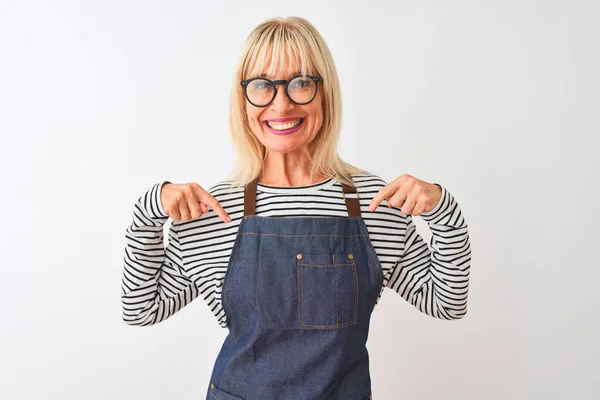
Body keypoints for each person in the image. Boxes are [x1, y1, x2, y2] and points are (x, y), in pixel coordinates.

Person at [121, 16, 471, 400]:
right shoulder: (213, 211)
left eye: (302, 83)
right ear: (244, 99)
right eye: (262, 85)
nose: (281, 104)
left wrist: (442, 209)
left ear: (326, 93)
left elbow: (446, 303)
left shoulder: (374, 203)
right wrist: (150, 210)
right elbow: (142, 309)